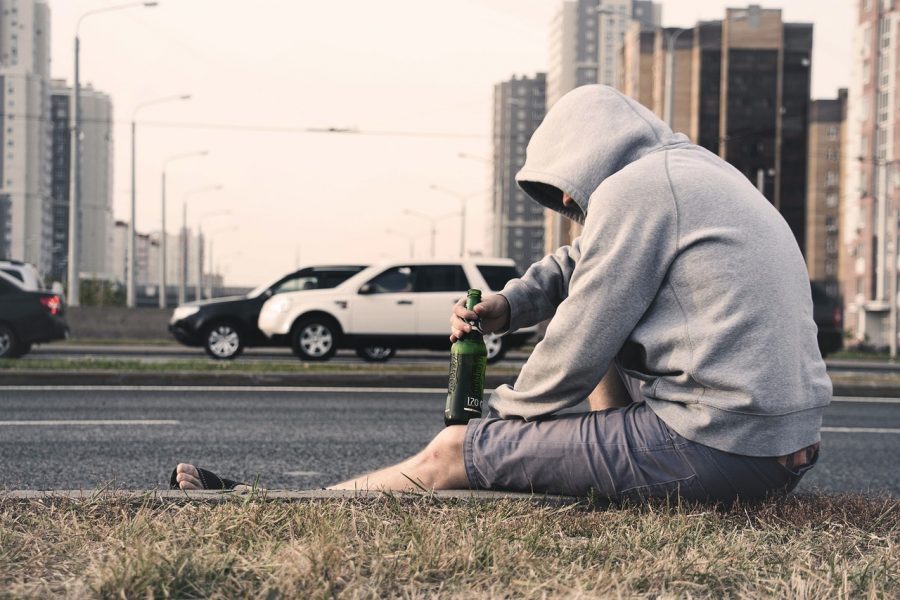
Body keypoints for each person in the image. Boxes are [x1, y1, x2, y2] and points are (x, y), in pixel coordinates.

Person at [174, 85, 830, 502]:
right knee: (562, 374)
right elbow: (583, 263)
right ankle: (573, 454)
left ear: (590, 152)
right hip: (781, 444)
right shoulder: (694, 175)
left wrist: (496, 421)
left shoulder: (640, 190)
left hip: (719, 447)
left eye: (566, 189)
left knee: (454, 454)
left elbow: (579, 339)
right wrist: (510, 305)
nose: (570, 204)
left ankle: (280, 507)